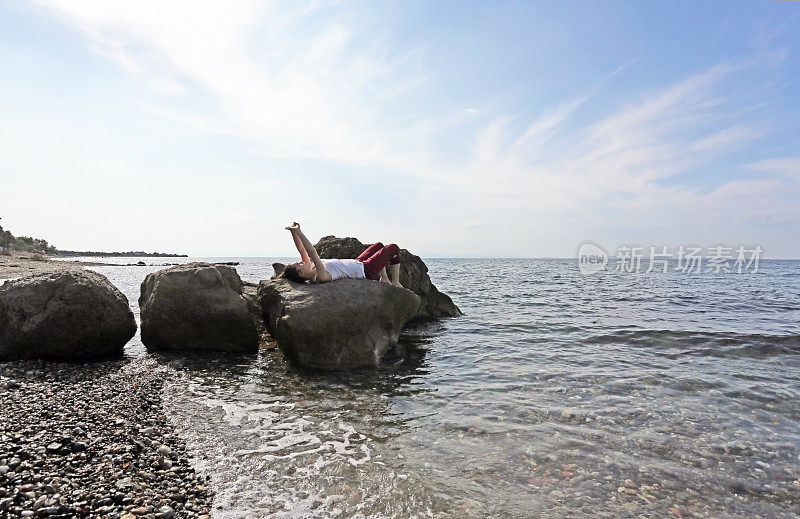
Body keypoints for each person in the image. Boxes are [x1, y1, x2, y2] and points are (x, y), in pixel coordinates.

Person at [279, 222, 403, 287]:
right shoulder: (320, 276)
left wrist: (293, 231)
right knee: (393, 248)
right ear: (301, 273)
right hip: (365, 270)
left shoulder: (310, 267)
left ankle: (385, 278)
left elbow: (302, 249)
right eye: (300, 264)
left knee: (379, 245)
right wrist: (300, 232)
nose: (302, 261)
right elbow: (312, 252)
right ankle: (396, 282)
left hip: (358, 262)